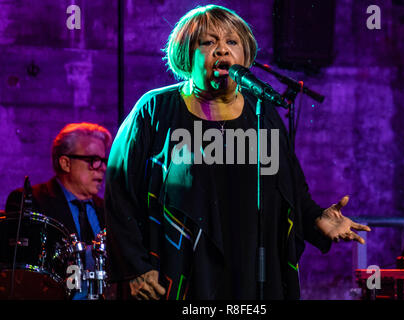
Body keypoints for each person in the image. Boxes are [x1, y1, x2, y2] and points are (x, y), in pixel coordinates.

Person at [104, 5, 371, 300]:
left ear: (245, 56)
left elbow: (289, 187)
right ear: (185, 54)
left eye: (232, 43)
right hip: (184, 271)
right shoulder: (156, 110)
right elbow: (120, 195)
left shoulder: (262, 111)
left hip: (254, 273)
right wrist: (134, 267)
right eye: (208, 42)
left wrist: (317, 219)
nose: (222, 51)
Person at [5, 122, 112, 299]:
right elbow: (25, 276)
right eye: (93, 161)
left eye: (104, 161)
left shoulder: (107, 209)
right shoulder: (29, 202)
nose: (103, 168)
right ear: (65, 163)